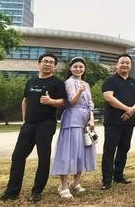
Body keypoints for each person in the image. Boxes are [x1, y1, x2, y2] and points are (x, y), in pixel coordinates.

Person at [0, 53, 66, 203]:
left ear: (54, 66)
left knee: (43, 158)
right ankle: (11, 192)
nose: (48, 64)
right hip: (29, 125)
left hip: (46, 124)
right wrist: (24, 119)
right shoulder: (31, 82)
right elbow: (25, 100)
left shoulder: (57, 83)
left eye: (51, 62)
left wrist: (51, 101)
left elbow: (63, 102)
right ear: (39, 64)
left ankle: (37, 192)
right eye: (45, 61)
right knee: (17, 157)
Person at [52, 57, 96, 199]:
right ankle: (63, 186)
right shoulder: (69, 82)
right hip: (72, 118)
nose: (78, 69)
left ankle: (75, 182)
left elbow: (90, 104)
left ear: (84, 69)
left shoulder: (86, 84)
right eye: (75, 66)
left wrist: (91, 119)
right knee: (68, 152)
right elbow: (72, 101)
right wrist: (80, 91)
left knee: (83, 151)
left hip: (85, 119)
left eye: (81, 67)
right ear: (70, 68)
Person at [100, 53, 135, 190]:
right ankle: (107, 180)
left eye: (127, 63)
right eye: (122, 62)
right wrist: (127, 109)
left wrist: (132, 110)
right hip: (113, 122)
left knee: (124, 149)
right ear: (117, 65)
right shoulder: (110, 80)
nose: (125, 65)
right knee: (109, 150)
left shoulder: (134, 82)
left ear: (131, 65)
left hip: (129, 122)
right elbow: (109, 97)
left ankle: (118, 176)